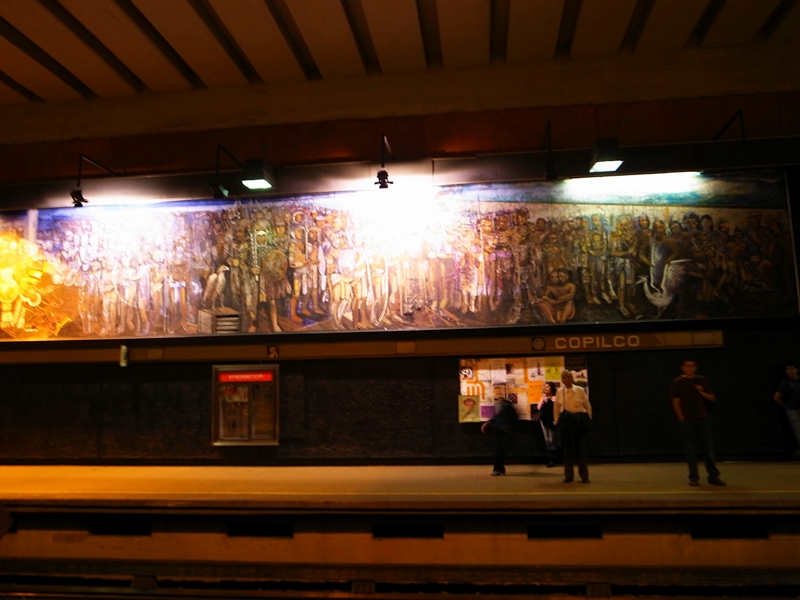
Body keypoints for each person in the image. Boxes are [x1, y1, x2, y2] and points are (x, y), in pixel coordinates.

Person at [670, 359, 726, 486]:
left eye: (692, 366)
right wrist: (681, 418)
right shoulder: (678, 381)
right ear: (682, 367)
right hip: (688, 419)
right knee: (691, 450)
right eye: (687, 366)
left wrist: (701, 391)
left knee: (708, 449)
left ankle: (713, 476)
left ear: (695, 367)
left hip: (702, 418)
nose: (690, 368)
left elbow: (712, 397)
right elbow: (676, 401)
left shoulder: (701, 380)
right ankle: (693, 477)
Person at [553, 370, 592, 483]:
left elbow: (587, 405)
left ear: (572, 378)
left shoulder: (579, 390)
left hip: (579, 420)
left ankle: (584, 476)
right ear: (562, 380)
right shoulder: (560, 392)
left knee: (581, 450)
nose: (567, 379)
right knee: (567, 451)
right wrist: (556, 420)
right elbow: (556, 407)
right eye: (564, 377)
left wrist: (588, 418)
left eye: (569, 377)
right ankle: (568, 476)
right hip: (567, 422)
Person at [481, 397, 520, 476]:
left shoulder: (504, 408)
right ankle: (499, 469)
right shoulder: (508, 407)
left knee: (498, 452)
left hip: (501, 432)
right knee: (500, 452)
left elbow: (498, 419)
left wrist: (488, 423)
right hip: (506, 432)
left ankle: (498, 469)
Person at [773, 363, 800, 456]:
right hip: (793, 410)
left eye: (792, 368)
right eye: (788, 369)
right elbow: (776, 398)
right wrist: (786, 406)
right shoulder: (786, 382)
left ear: (797, 370)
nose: (790, 371)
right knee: (798, 430)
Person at [537, 382, 559, 467]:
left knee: (552, 439)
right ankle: (549, 457)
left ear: (552, 388)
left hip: (552, 421)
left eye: (547, 387)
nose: (545, 388)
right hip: (544, 421)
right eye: (544, 387)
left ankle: (553, 458)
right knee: (547, 440)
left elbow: (558, 408)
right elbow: (539, 407)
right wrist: (544, 398)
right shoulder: (544, 398)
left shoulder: (555, 398)